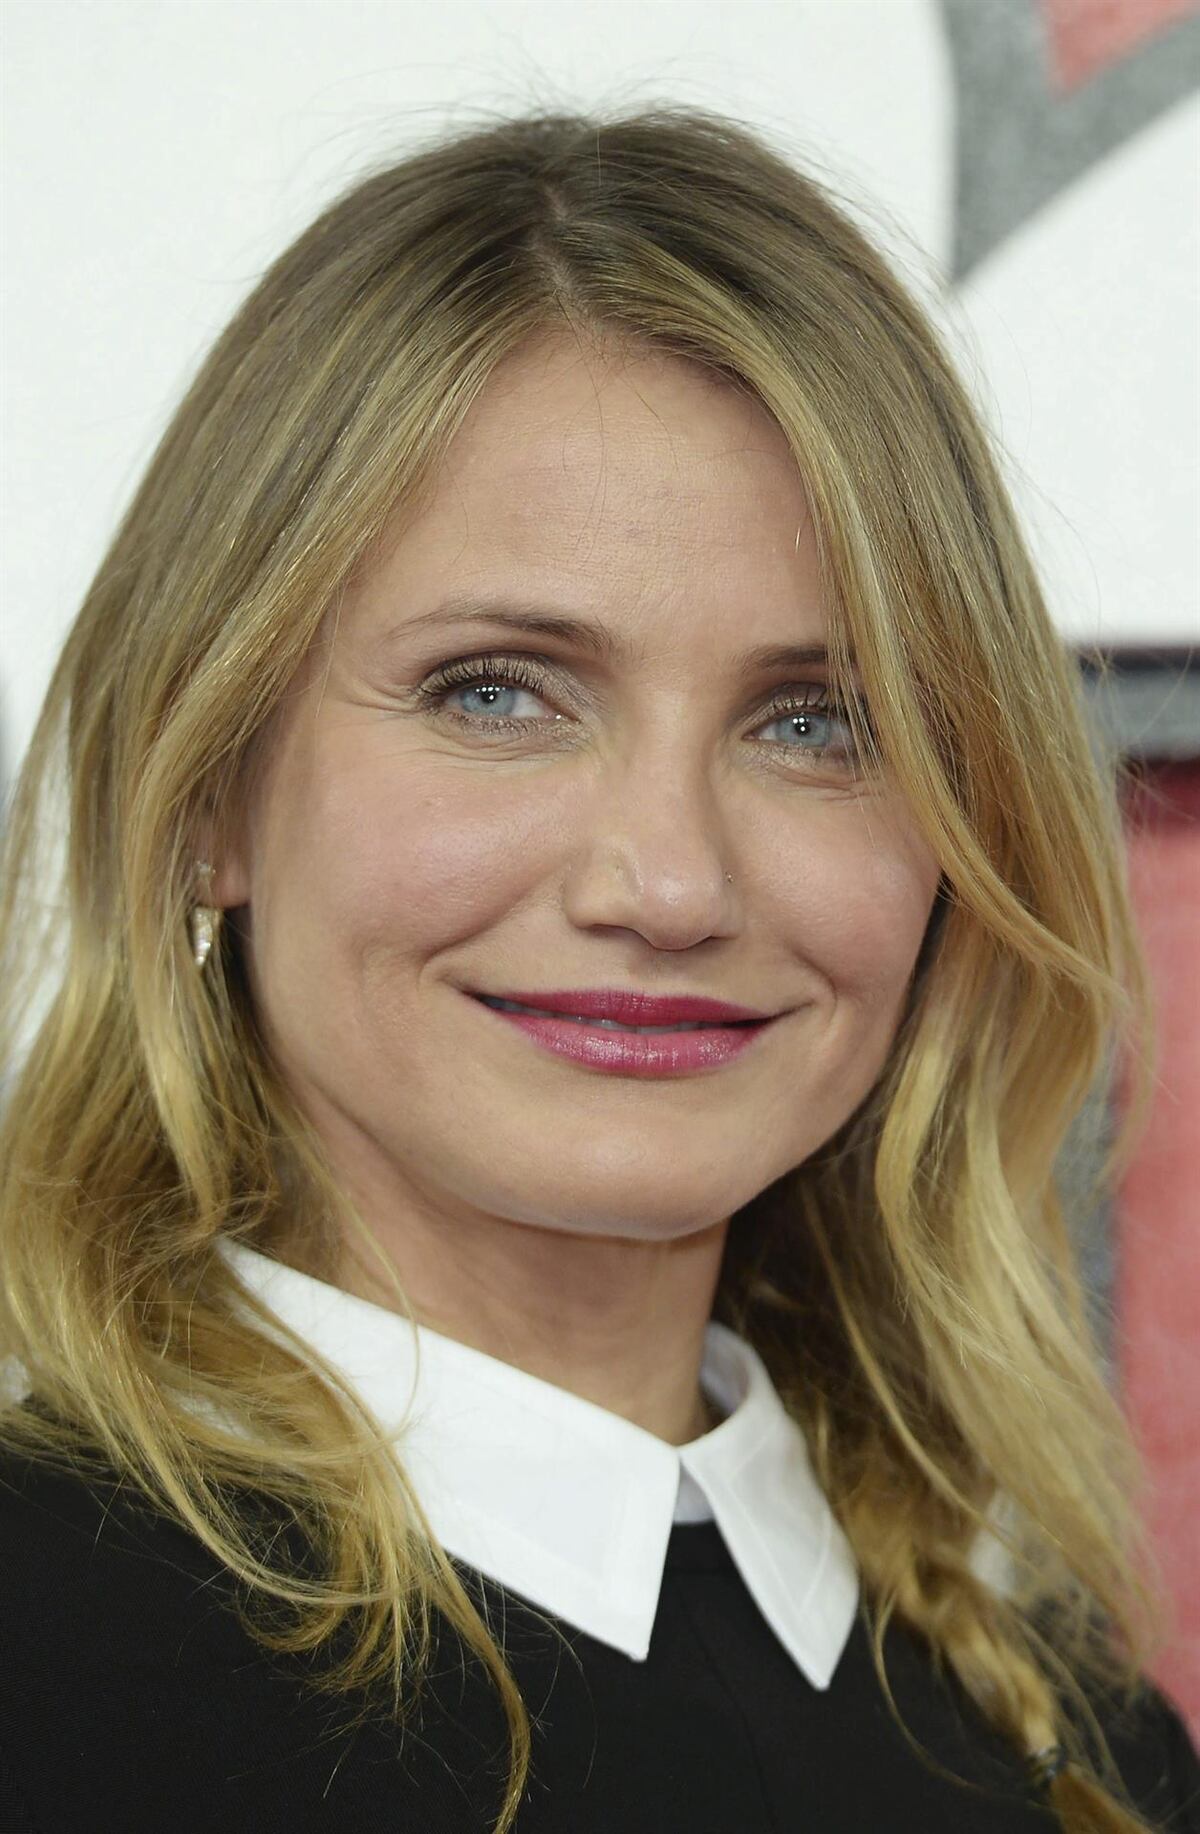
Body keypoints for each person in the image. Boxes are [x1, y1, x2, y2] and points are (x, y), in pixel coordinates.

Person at [0, 104, 1196, 1834]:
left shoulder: (1086, 1749)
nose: (674, 881)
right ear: (204, 793)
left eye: (819, 723)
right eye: (498, 691)